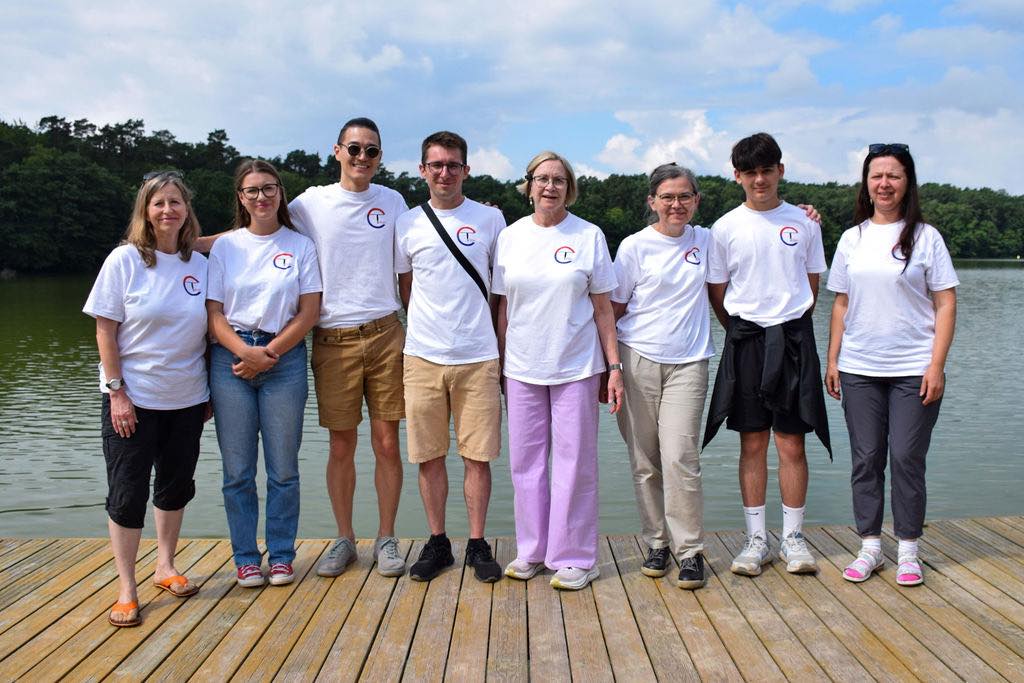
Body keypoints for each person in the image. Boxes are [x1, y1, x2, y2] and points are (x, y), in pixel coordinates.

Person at [825, 144, 957, 586]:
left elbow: (945, 303)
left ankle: (909, 550)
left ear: (907, 183)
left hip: (914, 368)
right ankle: (870, 547)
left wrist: (936, 365)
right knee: (866, 459)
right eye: (876, 176)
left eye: (893, 176)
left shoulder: (926, 237)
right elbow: (841, 303)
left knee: (905, 457)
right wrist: (833, 358)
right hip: (859, 367)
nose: (884, 184)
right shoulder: (852, 238)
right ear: (866, 183)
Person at [703, 132, 832, 577]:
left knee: (792, 441)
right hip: (747, 340)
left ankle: (794, 538)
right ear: (737, 176)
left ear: (780, 170)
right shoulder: (724, 228)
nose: (759, 180)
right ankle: (756, 539)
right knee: (752, 441)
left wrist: (784, 324)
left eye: (766, 170)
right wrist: (746, 331)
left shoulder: (805, 223)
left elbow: (811, 286)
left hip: (793, 339)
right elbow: (718, 293)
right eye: (750, 172)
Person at [83, 171, 208, 627]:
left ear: (186, 209)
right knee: (127, 492)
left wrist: (209, 393)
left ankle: (165, 566)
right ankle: (126, 587)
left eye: (175, 202)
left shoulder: (200, 264)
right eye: (159, 203)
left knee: (175, 486)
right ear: (146, 211)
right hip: (133, 399)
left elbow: (209, 330)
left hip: (187, 398)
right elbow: (105, 330)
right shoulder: (125, 260)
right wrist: (117, 392)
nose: (168, 210)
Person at [493, 150, 623, 591]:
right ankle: (531, 551)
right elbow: (504, 309)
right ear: (529, 186)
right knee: (525, 465)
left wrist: (614, 367)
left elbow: (604, 310)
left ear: (570, 189)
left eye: (559, 180)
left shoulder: (588, 236)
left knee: (574, 465)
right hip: (522, 367)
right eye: (542, 179)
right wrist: (500, 364)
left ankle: (575, 558)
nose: (550, 186)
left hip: (576, 367)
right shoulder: (510, 237)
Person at [288, 118, 410, 577]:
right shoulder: (310, 203)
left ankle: (387, 538)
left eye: (371, 151)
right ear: (337, 151)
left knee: (387, 443)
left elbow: (422, 250)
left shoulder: (393, 201)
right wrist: (188, 245)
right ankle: (344, 539)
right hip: (332, 337)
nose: (362, 157)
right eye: (354, 148)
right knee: (341, 444)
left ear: (380, 157)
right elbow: (256, 231)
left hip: (386, 333)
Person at [395, 131, 505, 583]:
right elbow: (406, 289)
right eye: (436, 165)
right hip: (422, 356)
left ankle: (477, 542)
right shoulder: (406, 223)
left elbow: (501, 290)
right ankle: (438, 541)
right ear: (422, 170)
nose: (445, 172)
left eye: (453, 165)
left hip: (478, 356)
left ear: (466, 170)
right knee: (429, 455)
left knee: (478, 457)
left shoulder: (491, 219)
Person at [207, 159, 322, 588]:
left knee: (283, 469)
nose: (261, 197)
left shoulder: (300, 245)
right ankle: (245, 557)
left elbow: (309, 311)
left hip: (284, 358)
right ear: (241, 197)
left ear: (280, 192)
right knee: (238, 471)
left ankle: (282, 555)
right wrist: (245, 352)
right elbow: (213, 314)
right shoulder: (226, 247)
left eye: (269, 188)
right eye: (252, 190)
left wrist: (268, 353)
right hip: (230, 359)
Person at [611, 164, 715, 589]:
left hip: (689, 363)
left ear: (696, 200)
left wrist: (804, 216)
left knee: (680, 458)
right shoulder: (634, 247)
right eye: (667, 197)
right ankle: (657, 543)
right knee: (645, 461)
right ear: (652, 201)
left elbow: (754, 231)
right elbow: (613, 309)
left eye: (684, 196)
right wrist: (609, 368)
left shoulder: (707, 240)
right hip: (636, 358)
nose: (676, 204)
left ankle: (690, 551)